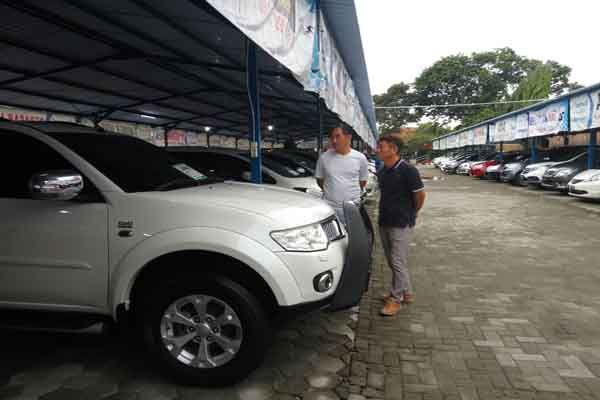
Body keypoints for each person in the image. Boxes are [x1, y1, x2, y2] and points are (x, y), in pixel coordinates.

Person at [376, 135, 426, 316]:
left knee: (397, 260)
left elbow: (420, 196)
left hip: (401, 223)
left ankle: (395, 300)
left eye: (381, 147)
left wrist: (412, 213)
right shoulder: (383, 170)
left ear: (393, 149)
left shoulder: (408, 170)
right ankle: (407, 292)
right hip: (385, 220)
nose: (378, 150)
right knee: (393, 261)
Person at [315, 124, 369, 224]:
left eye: (338, 136)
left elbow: (362, 182)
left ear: (348, 137)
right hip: (330, 207)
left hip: (352, 207)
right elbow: (320, 180)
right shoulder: (324, 157)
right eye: (332, 137)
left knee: (353, 235)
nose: (334, 141)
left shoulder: (360, 158)